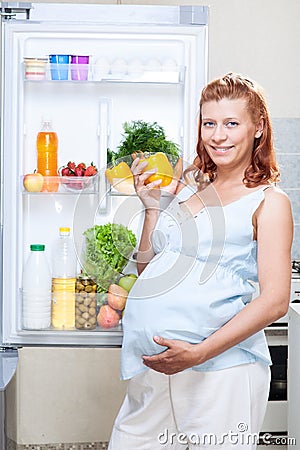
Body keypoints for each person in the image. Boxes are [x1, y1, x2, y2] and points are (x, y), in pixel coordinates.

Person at [108, 72, 293, 450]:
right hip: (155, 367)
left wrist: (199, 353)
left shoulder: (269, 203)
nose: (217, 136)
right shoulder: (192, 187)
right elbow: (150, 270)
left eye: (231, 124)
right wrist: (151, 211)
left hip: (221, 371)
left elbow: (275, 301)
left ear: (258, 128)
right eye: (209, 123)